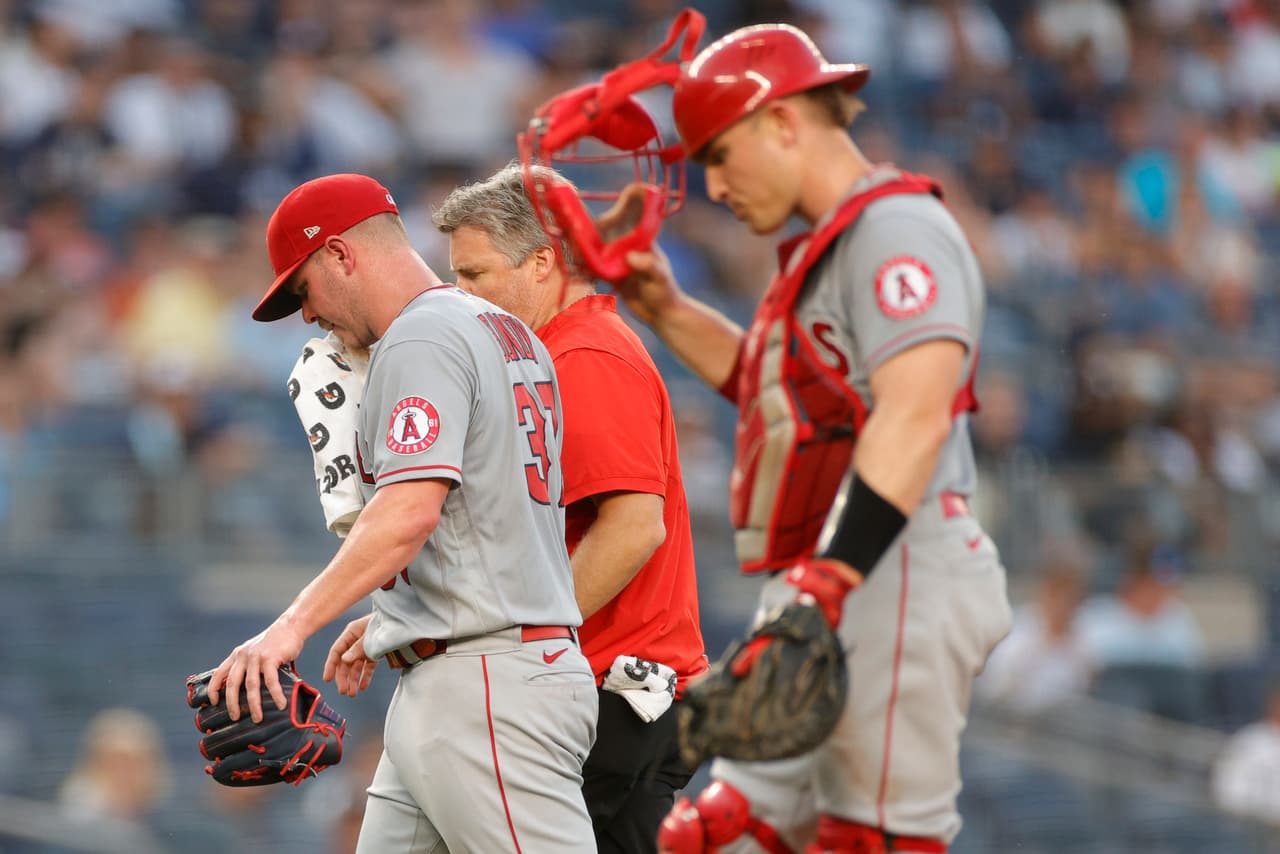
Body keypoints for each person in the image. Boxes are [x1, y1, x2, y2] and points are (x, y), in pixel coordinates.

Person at [603, 22, 1013, 854]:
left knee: (873, 841)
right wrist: (667, 311)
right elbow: (782, 398)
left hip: (895, 570)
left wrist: (828, 584)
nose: (713, 185)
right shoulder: (826, 250)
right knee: (711, 835)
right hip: (832, 578)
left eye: (720, 153)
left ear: (783, 121)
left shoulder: (898, 230)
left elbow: (916, 410)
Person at [207, 172, 598, 853]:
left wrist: (289, 629)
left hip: (485, 684)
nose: (306, 315)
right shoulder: (508, 331)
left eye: (302, 289)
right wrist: (399, 611)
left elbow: (410, 509)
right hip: (472, 668)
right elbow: (481, 514)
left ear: (339, 254)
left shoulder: (420, 338)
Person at [432, 161, 709, 854]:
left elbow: (634, 527)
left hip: (608, 688)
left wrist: (522, 643)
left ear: (541, 263)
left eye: (475, 275)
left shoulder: (582, 356)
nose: (459, 294)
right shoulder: (548, 353)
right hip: (609, 689)